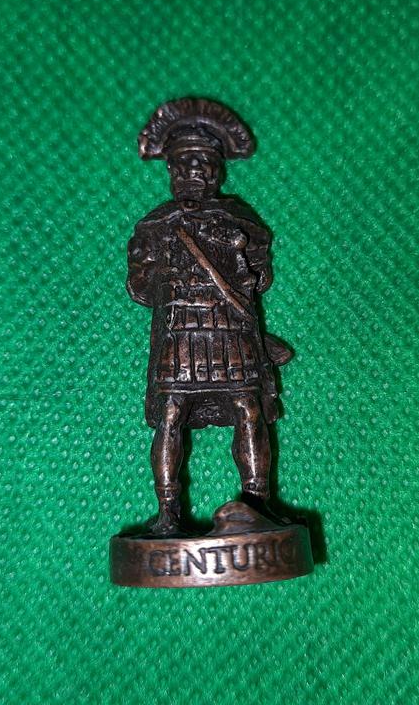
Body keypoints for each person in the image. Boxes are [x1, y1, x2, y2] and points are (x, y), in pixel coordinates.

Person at [127, 98, 291, 535]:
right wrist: (169, 273)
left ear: (217, 170)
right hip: (179, 332)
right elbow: (140, 288)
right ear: (171, 170)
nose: (194, 171)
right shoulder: (155, 226)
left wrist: (232, 250)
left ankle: (257, 501)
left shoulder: (240, 221)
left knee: (248, 408)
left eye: (203, 163)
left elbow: (260, 278)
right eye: (184, 164)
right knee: (171, 413)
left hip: (231, 328)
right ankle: (168, 512)